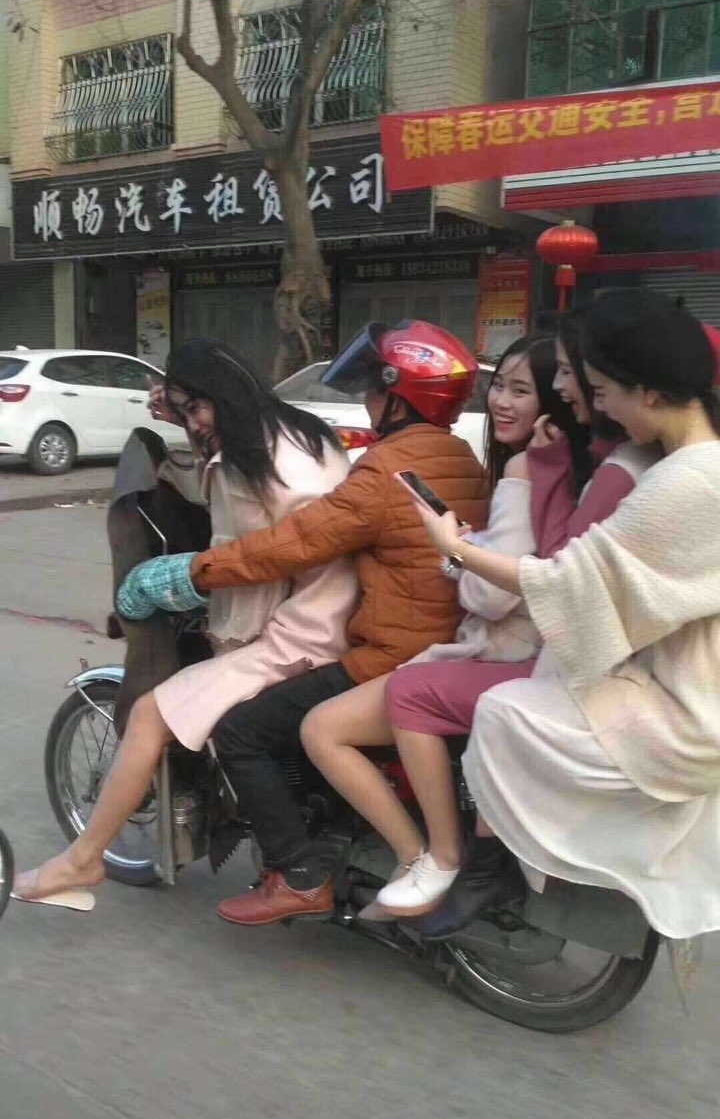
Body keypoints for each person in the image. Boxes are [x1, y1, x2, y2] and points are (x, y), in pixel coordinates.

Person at [95, 320, 489, 924]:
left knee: (243, 732)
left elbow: (291, 545)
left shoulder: (383, 471)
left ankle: (302, 874)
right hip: (439, 638)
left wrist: (191, 573)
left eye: (375, 388)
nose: (367, 398)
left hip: (384, 650)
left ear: (397, 395)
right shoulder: (457, 455)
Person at [418, 290, 720, 941]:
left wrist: (454, 549)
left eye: (600, 388)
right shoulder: (678, 463)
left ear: (648, 390)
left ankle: (485, 863)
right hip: (680, 681)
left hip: (687, 710)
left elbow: (563, 581)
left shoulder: (685, 479)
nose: (595, 402)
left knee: (503, 711)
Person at [14, 337, 360, 901]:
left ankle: (81, 862)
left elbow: (267, 558)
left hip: (302, 634)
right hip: (314, 619)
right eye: (184, 410)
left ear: (222, 392)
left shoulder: (269, 464)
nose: (194, 423)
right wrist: (183, 414)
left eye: (196, 408)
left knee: (150, 715)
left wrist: (192, 580)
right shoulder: (291, 432)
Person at [300, 333, 588, 916]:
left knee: (324, 728)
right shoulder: (552, 465)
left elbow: (492, 592)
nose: (501, 401)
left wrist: (454, 553)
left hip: (508, 656)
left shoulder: (524, 469)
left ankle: (431, 858)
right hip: (533, 656)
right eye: (498, 386)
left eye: (522, 390)